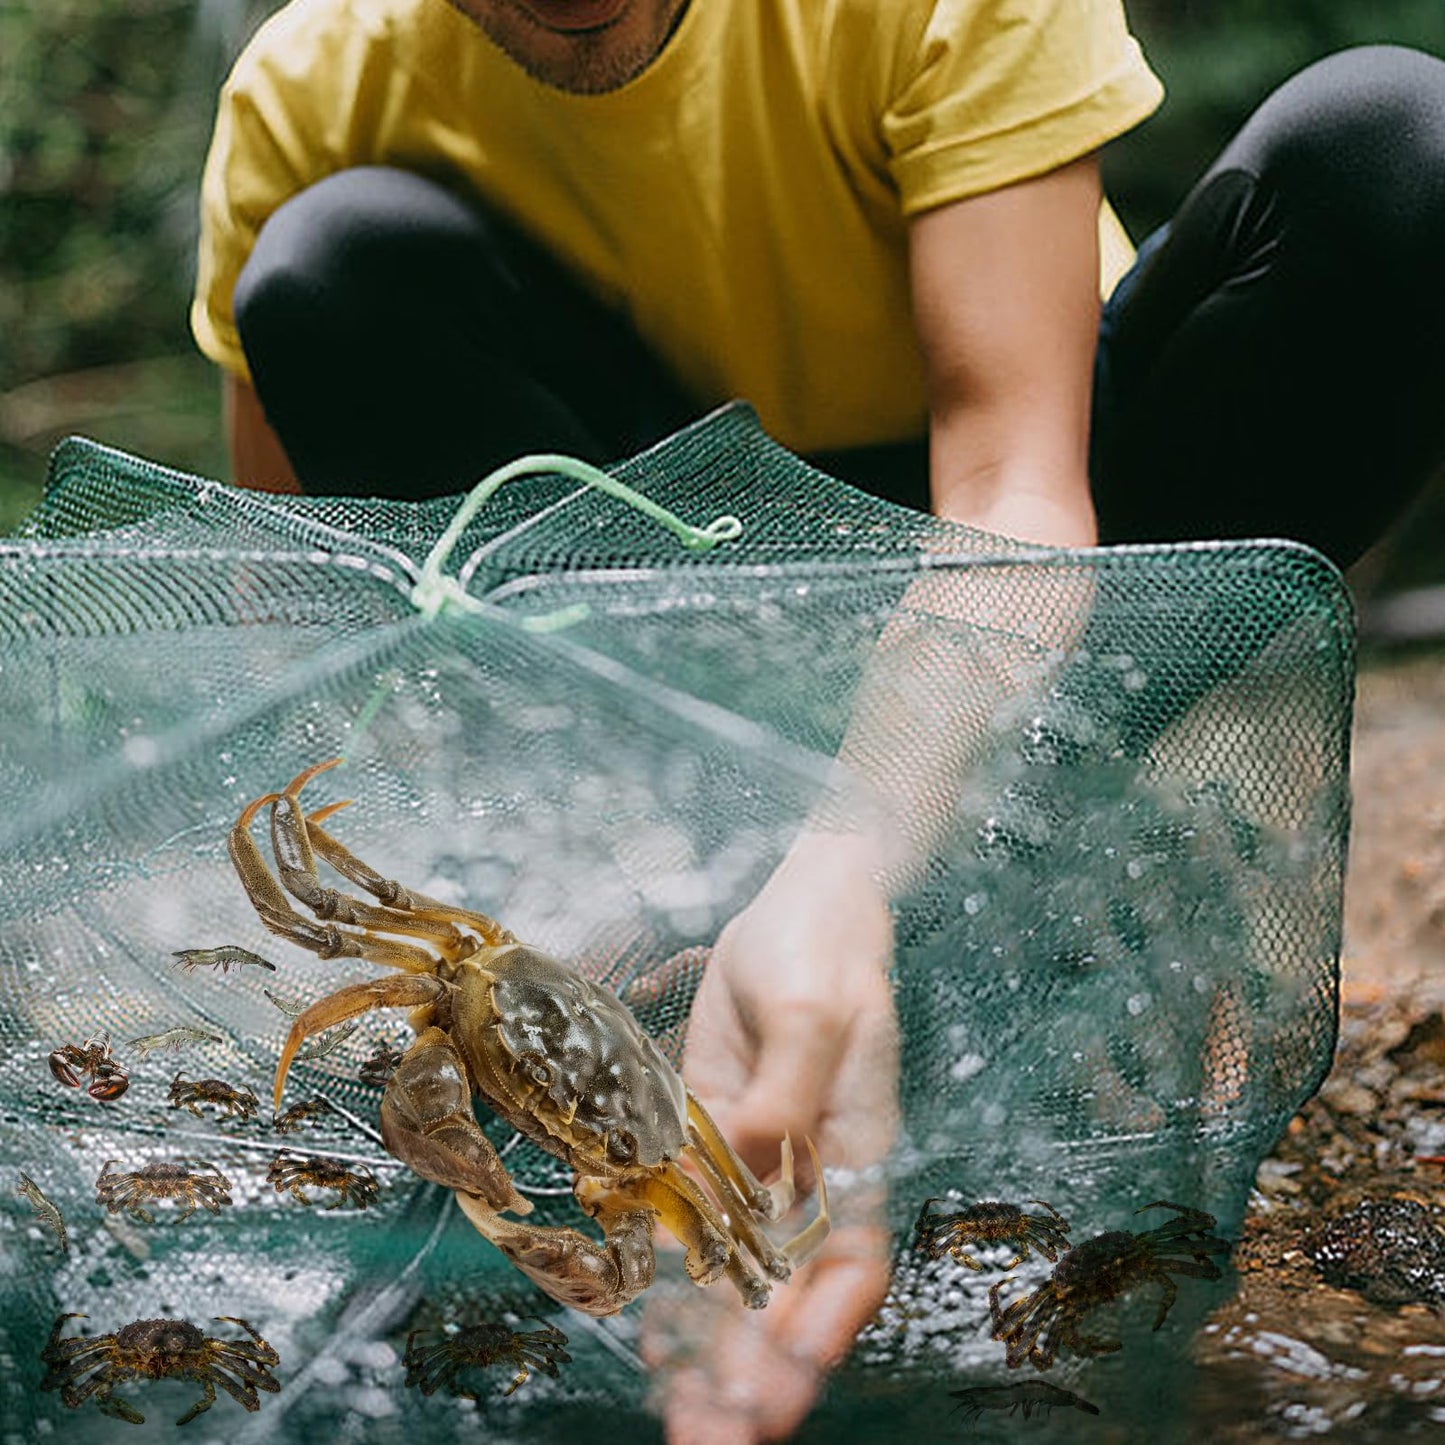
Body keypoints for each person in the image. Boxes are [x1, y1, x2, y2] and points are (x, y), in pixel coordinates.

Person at [192, 3, 1445, 1439]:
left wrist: (846, 861)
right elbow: (301, 605)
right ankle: (710, 867)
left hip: (1031, 523)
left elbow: (1012, 487)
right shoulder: (309, 86)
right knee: (328, 259)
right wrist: (479, 867)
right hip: (667, 582)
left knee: (1396, 147)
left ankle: (979, 844)